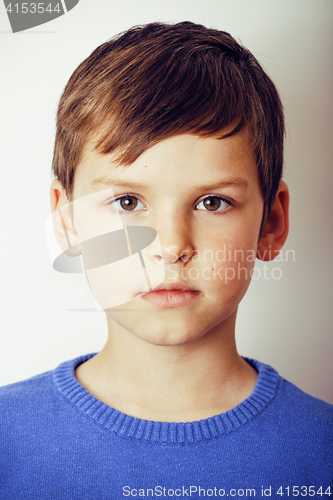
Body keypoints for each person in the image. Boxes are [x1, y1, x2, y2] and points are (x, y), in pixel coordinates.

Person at [0, 21, 332, 499]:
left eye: (212, 202)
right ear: (68, 220)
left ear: (272, 223)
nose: (171, 245)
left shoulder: (322, 453)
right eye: (128, 203)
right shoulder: (8, 441)